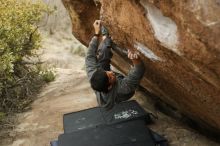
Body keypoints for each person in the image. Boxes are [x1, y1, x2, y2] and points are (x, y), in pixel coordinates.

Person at [85, 20, 145, 109]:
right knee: (131, 82)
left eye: (107, 72)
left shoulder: (93, 75)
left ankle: (106, 38)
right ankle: (133, 86)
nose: (111, 73)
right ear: (109, 87)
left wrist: (96, 33)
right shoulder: (122, 89)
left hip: (106, 83)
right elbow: (139, 71)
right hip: (124, 92)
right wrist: (136, 60)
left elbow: (89, 56)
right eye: (110, 77)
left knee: (103, 51)